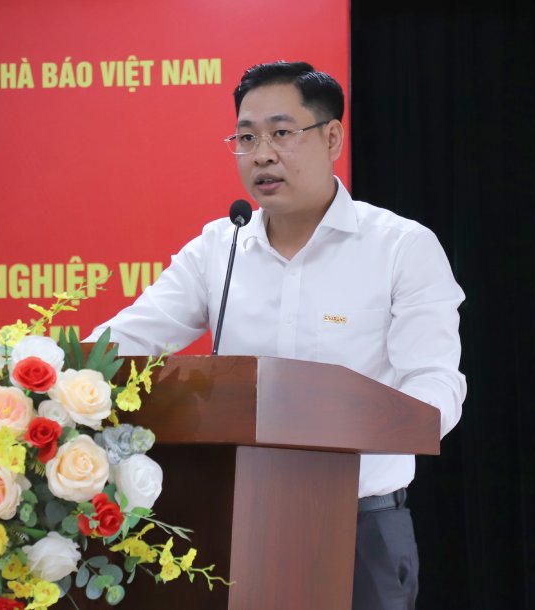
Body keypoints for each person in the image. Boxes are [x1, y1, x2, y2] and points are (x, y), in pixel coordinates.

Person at [88, 61, 466, 610]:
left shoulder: (400, 248)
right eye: (246, 137)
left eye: (281, 133)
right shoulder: (219, 249)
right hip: (229, 526)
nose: (261, 153)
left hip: (359, 528)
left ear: (331, 136)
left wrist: (354, 417)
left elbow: (435, 387)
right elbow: (121, 343)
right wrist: (51, 374)